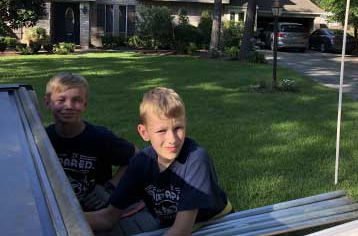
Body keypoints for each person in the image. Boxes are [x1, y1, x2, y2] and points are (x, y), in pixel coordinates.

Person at [86, 87, 232, 235]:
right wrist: (69, 221)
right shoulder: (141, 163)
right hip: (171, 226)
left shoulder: (196, 159)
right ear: (144, 132)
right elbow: (108, 217)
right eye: (162, 131)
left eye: (178, 128)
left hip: (216, 223)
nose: (172, 140)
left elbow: (181, 230)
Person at [44, 72, 137, 211]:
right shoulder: (43, 139)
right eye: (61, 100)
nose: (69, 106)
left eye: (76, 100)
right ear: (47, 102)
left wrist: (110, 187)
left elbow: (137, 157)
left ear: (85, 105)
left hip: (98, 212)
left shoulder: (99, 137)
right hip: (58, 211)